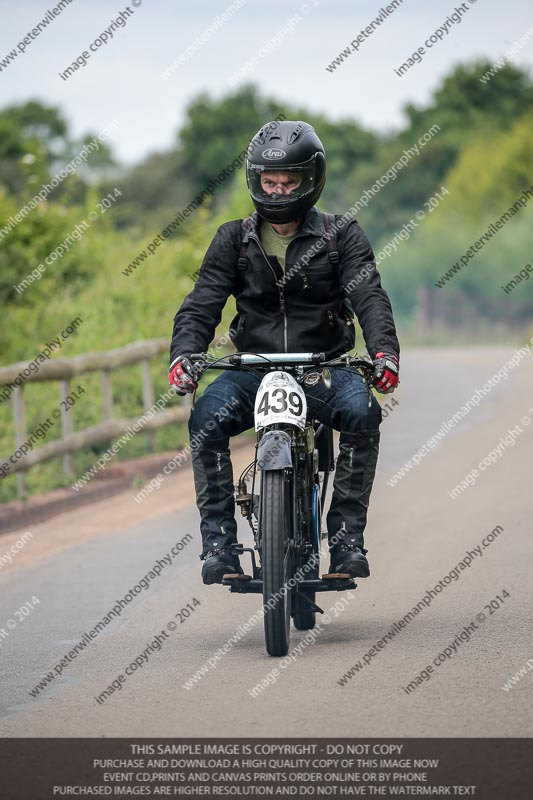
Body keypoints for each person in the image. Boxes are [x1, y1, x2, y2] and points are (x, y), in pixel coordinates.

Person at [168, 120, 400, 585]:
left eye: (288, 182)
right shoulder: (232, 239)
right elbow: (202, 304)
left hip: (325, 369)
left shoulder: (342, 235)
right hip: (253, 369)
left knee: (363, 415)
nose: (277, 192)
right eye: (268, 182)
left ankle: (347, 539)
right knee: (204, 421)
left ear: (310, 180)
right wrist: (184, 356)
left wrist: (384, 353)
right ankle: (219, 545)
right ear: (254, 180)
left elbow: (370, 298)